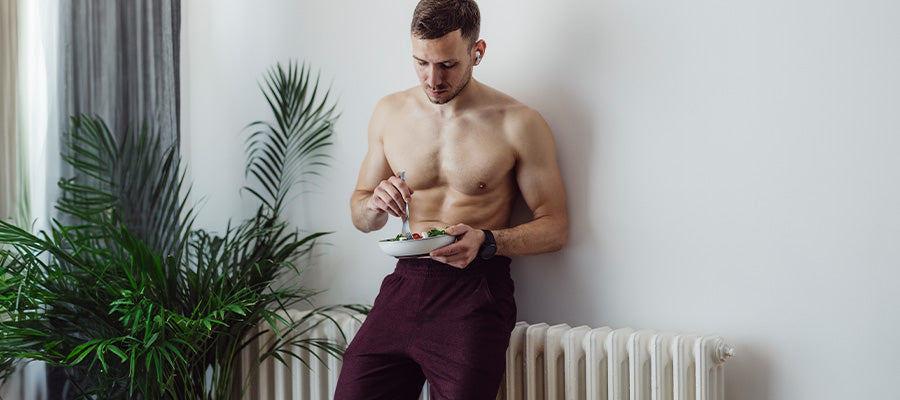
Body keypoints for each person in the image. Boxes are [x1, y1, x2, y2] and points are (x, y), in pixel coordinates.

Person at [335, 0, 569, 398]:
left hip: (475, 291)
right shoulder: (389, 113)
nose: (432, 79)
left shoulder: (518, 123)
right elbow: (361, 215)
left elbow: (556, 227)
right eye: (421, 62)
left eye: (447, 65)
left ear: (477, 53)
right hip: (403, 283)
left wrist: (488, 241)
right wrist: (375, 204)